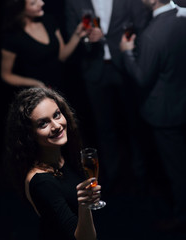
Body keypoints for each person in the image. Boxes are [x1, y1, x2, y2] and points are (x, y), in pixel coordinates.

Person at [64, 0, 152, 195]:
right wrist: (87, 39)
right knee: (105, 127)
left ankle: (141, 175)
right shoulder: (74, 3)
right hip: (95, 71)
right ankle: (112, 177)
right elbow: (72, 35)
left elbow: (141, 25)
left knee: (134, 124)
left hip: (125, 67)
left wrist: (126, 43)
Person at [120, 0, 186, 231]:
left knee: (177, 170)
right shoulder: (183, 17)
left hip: (166, 114)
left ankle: (181, 217)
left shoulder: (152, 35)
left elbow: (141, 78)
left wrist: (127, 53)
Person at [4, 87, 101, 240]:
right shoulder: (41, 182)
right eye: (43, 124)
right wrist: (85, 205)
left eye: (56, 115)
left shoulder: (62, 154)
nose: (56, 126)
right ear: (30, 135)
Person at [0, 0, 87, 89]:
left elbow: (61, 57)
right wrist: (35, 83)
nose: (42, 3)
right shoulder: (12, 37)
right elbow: (6, 75)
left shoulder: (49, 20)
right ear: (20, 9)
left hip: (62, 84)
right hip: (38, 92)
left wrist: (77, 35)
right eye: (33, 3)